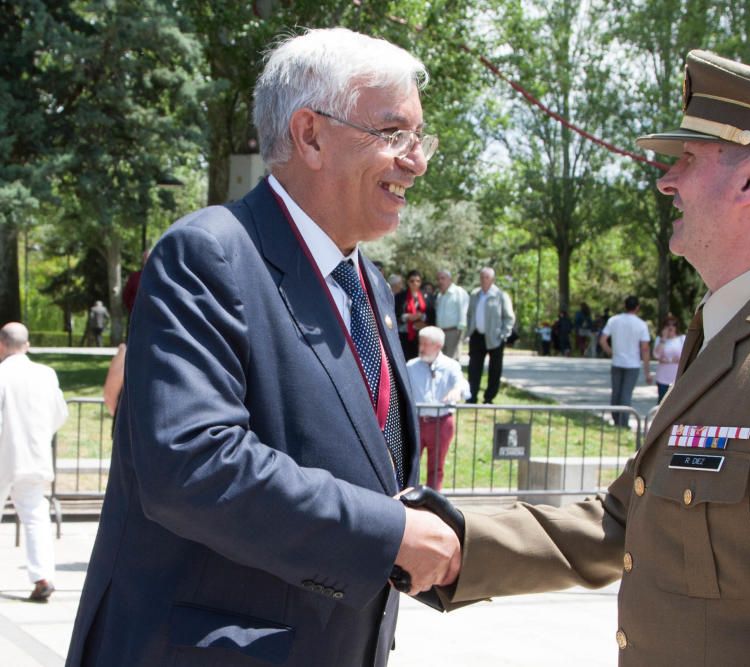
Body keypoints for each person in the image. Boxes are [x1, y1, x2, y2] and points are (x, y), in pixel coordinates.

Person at [442, 50, 750, 665]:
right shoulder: (741, 337)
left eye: (687, 159)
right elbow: (627, 520)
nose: (666, 180)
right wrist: (453, 542)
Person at [66, 28, 460, 667]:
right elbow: (193, 464)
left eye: (419, 139)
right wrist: (387, 536)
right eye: (393, 134)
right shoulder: (208, 255)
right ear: (310, 135)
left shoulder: (372, 287)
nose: (414, 160)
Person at [0, 322, 68, 602]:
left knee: (33, 514)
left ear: (2, 345)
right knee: (35, 516)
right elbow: (59, 413)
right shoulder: (46, 374)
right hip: (34, 451)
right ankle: (43, 577)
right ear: (26, 345)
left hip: (5, 452)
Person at [405, 326, 470, 490]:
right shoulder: (411, 366)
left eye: (426, 344)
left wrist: (457, 390)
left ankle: (433, 503)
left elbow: (462, 385)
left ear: (438, 346)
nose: (421, 348)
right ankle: (407, 500)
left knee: (436, 466)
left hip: (442, 422)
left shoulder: (451, 366)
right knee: (410, 465)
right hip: (417, 422)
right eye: (420, 343)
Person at [599, 296, 652, 426]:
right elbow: (645, 348)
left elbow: (602, 340)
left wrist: (610, 351)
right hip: (633, 364)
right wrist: (647, 371)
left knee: (616, 392)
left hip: (617, 361)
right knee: (626, 394)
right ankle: (623, 422)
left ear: (625, 306)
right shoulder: (641, 324)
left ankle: (616, 419)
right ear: (637, 307)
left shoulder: (614, 320)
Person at [465, 267, 514, 404]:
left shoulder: (500, 295)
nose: (483, 280)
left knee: (495, 369)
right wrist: (469, 330)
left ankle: (489, 397)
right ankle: (472, 396)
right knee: (474, 368)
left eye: (486, 277)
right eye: (481, 277)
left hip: (495, 337)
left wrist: (504, 333)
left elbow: (508, 317)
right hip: (477, 336)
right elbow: (469, 314)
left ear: (492, 279)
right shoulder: (475, 294)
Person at [396, 270, 434, 360]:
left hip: (422, 334)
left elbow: (432, 314)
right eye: (412, 281)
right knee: (406, 359)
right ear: (407, 282)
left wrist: (422, 317)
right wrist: (407, 317)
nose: (415, 283)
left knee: (421, 359)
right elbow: (396, 314)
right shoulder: (400, 296)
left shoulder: (427, 296)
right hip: (405, 334)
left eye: (417, 281)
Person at [434, 269, 469, 360]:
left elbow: (464, 312)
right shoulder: (440, 295)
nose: (440, 281)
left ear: (450, 279)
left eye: (443, 278)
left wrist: (461, 333)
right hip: (441, 332)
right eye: (438, 279)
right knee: (441, 361)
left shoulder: (458, 292)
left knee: (452, 361)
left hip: (454, 332)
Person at [652, 313, 685, 402]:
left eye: (673, 325)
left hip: (677, 377)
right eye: (668, 325)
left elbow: (684, 357)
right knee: (662, 402)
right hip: (662, 378)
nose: (671, 327)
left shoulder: (682, 339)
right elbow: (656, 355)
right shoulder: (660, 339)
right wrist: (664, 339)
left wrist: (668, 360)